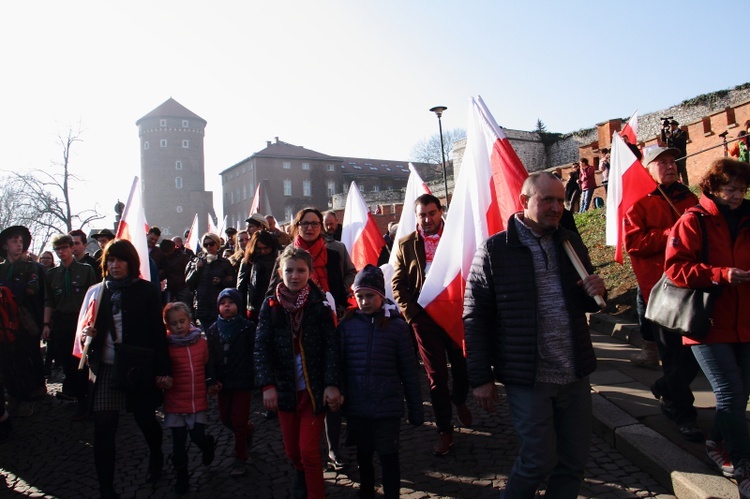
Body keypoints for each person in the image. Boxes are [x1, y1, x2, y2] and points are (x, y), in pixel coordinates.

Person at [464, 172, 606, 498]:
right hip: (529, 376)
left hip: (574, 372)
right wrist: (480, 377)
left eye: (560, 200)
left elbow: (585, 299)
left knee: (573, 462)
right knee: (538, 460)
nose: (556, 207)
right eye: (547, 200)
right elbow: (475, 316)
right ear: (524, 201)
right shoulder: (494, 250)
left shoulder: (569, 241)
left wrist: (596, 291)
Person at [664, 158, 750, 496]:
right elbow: (675, 270)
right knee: (729, 392)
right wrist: (721, 275)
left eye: (742, 190)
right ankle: (743, 465)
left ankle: (716, 439)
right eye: (730, 190)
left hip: (745, 321)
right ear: (712, 187)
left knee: (740, 394)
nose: (737, 196)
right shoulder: (693, 220)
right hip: (707, 323)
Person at [77, 239, 171, 499]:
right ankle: (106, 488)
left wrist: (163, 370)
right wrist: (89, 335)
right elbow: (85, 329)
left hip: (138, 368)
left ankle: (156, 455)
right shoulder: (97, 292)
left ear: (131, 262)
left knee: (145, 420)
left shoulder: (147, 291)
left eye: (120, 260)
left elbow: (157, 333)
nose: (115, 265)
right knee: (104, 427)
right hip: (106, 368)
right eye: (110, 260)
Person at [624, 146, 703, 442]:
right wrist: (673, 232)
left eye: (672, 161)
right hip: (663, 292)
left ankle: (663, 387)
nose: (670, 166)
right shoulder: (638, 203)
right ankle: (684, 414)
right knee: (672, 356)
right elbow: (633, 242)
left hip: (695, 287)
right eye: (662, 162)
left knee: (696, 353)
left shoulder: (689, 197)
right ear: (648, 169)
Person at [254, 246, 343, 499]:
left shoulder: (320, 305)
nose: (295, 276)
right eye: (289, 270)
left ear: (310, 272)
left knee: (309, 452)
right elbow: (261, 347)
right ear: (281, 272)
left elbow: (331, 347)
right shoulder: (270, 305)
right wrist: (266, 385)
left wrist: (331, 383)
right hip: (285, 390)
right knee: (293, 451)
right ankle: (300, 476)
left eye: (301, 270)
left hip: (312, 390)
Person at [392, 193, 472, 456]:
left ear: (440, 212)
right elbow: (398, 284)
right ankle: (444, 429)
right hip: (424, 319)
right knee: (436, 376)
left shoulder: (457, 238)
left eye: (431, 213)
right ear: (416, 217)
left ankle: (459, 399)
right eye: (422, 215)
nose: (427, 219)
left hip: (454, 312)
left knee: (462, 368)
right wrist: (413, 315)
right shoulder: (405, 244)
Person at [339, 265, 423, 499]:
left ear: (381, 296)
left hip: (387, 406)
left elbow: (409, 371)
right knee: (363, 455)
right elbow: (340, 367)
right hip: (358, 407)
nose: (365, 301)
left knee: (389, 456)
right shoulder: (347, 325)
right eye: (360, 296)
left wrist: (415, 409)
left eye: (370, 296)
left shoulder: (396, 327)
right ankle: (366, 491)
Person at [161, 301, 217, 494]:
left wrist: (211, 382)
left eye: (182, 321)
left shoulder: (200, 341)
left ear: (189, 320)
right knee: (178, 443)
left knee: (197, 436)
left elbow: (208, 365)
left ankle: (208, 445)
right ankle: (181, 476)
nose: (179, 327)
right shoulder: (166, 346)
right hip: (175, 400)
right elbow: (163, 369)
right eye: (174, 323)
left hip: (197, 398)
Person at [43, 233, 96, 420]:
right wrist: (46, 324)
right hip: (62, 322)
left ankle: (91, 398)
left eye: (64, 247)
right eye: (58, 249)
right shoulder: (51, 275)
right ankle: (80, 399)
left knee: (85, 361)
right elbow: (49, 300)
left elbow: (93, 298)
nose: (61, 252)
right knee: (68, 363)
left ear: (71, 248)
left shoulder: (86, 270)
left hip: (81, 320)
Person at [206, 288, 256, 477]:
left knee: (238, 421)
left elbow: (254, 352)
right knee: (225, 418)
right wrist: (211, 379)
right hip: (223, 382)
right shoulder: (212, 330)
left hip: (242, 380)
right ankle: (248, 429)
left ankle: (240, 457)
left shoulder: (247, 328)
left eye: (231, 302)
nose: (226, 306)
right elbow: (209, 358)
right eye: (223, 303)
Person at [0, 225, 46, 418]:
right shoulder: (1, 268)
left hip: (25, 321)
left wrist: (6, 290)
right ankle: (14, 394)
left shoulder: (30, 267)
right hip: (3, 321)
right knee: (6, 360)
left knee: (26, 357)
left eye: (21, 242)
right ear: (5, 245)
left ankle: (31, 396)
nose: (18, 245)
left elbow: (31, 289)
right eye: (14, 241)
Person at [185, 233, 236, 331]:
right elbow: (189, 283)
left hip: (218, 305)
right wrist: (197, 270)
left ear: (217, 244)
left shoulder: (224, 263)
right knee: (208, 334)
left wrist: (221, 282)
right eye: (206, 245)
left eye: (211, 244)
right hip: (202, 305)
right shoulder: (198, 261)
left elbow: (232, 282)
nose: (209, 247)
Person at [237, 230, 280, 322]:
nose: (263, 251)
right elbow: (241, 289)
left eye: (266, 248)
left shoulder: (280, 261)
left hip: (276, 307)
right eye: (259, 249)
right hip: (254, 309)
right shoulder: (248, 262)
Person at [160, 239, 192, 307]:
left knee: (184, 307)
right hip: (171, 287)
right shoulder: (165, 258)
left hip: (182, 287)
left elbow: (188, 271)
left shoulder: (182, 257)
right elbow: (165, 272)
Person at [665, 120, 689, 185]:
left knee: (683, 172)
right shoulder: (670, 134)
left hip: (681, 155)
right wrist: (662, 130)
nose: (670, 127)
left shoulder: (682, 133)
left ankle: (686, 186)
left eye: (670, 126)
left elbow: (679, 142)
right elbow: (664, 141)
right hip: (673, 157)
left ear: (674, 125)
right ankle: (679, 186)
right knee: (676, 173)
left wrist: (670, 137)